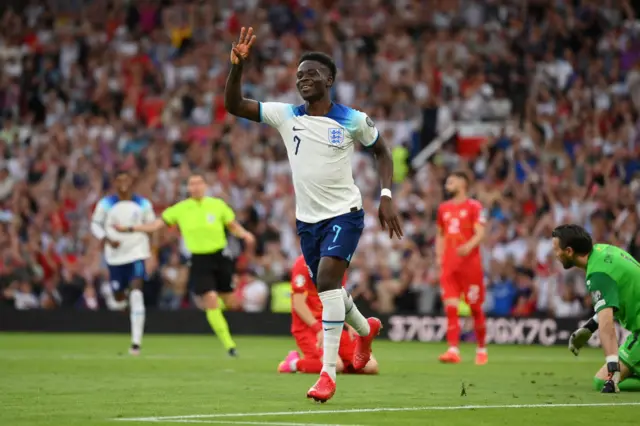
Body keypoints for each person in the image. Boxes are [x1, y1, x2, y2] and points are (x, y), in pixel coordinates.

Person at [224, 27, 402, 402]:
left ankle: (328, 374)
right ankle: (364, 330)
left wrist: (386, 195)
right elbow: (235, 105)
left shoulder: (352, 119)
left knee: (325, 283)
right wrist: (237, 68)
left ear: (330, 80)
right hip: (307, 221)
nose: (304, 79)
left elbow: (382, 151)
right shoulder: (286, 116)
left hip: (345, 214)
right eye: (299, 75)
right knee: (332, 288)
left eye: (312, 74)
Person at [115, 174, 255, 357]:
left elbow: (232, 225)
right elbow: (157, 224)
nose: (195, 187)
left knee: (230, 301)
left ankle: (223, 320)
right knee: (211, 298)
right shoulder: (181, 209)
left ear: (205, 186)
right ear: (188, 189)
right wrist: (130, 228)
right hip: (199, 260)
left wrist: (244, 234)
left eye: (199, 183)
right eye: (191, 184)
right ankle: (230, 346)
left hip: (221, 258)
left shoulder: (217, 205)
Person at [551, 224, 640, 393]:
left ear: (569, 251)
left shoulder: (598, 274)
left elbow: (607, 325)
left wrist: (613, 370)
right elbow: (613, 301)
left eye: (557, 250)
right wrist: (589, 327)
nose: (556, 255)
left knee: (601, 382)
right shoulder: (602, 250)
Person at [278, 255, 379, 375]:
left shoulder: (338, 264)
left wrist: (352, 323)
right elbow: (298, 303)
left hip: (332, 325)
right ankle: (293, 363)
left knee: (370, 366)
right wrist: (317, 329)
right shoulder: (303, 263)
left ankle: (339, 363)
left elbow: (340, 299)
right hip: (308, 328)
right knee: (335, 365)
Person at [91, 170, 155, 355]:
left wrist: (153, 252)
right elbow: (95, 224)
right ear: (114, 183)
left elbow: (152, 226)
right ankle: (123, 300)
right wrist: (106, 238)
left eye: (126, 179)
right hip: (115, 256)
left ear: (132, 182)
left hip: (136, 252)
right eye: (119, 180)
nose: (123, 183)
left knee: (137, 291)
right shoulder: (106, 203)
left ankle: (136, 343)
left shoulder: (142, 203)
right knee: (118, 296)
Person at [436, 171, 487, 365]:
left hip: (470, 265)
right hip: (450, 265)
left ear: (463, 183)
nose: (448, 182)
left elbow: (480, 233)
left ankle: (481, 349)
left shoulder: (474, 206)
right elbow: (440, 234)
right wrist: (440, 257)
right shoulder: (443, 209)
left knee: (475, 308)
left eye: (452, 180)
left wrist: (469, 245)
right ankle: (453, 350)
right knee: (451, 308)